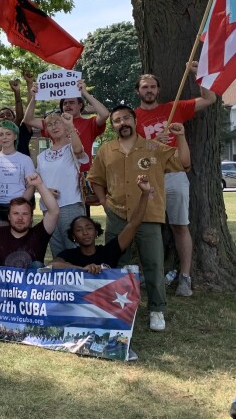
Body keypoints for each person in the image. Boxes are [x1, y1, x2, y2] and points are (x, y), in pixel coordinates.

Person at [88, 105, 190, 332]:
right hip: (117, 215)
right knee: (116, 263)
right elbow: (95, 178)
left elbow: (183, 164)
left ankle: (156, 310)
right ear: (112, 125)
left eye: (126, 118)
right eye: (117, 120)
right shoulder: (106, 150)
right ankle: (118, 307)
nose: (122, 123)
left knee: (153, 262)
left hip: (149, 213)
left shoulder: (153, 147)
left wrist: (180, 137)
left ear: (135, 121)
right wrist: (105, 203)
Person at [134, 65, 216, 297]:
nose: (149, 90)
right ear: (138, 91)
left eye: (152, 87)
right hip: (149, 178)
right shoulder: (133, 117)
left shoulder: (174, 108)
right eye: (144, 87)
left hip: (175, 175)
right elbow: (130, 151)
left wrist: (197, 74)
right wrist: (152, 142)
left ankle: (185, 277)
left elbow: (209, 99)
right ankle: (151, 273)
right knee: (149, 229)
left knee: (180, 226)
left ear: (158, 90)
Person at [52, 175, 153, 272]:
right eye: (79, 230)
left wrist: (145, 194)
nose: (85, 232)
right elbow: (52, 265)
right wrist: (82, 269)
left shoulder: (108, 251)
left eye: (89, 228)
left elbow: (133, 225)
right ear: (73, 236)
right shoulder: (69, 255)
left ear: (96, 232)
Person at [35, 110, 89, 258]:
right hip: (48, 208)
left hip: (70, 205)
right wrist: (45, 191)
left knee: (75, 247)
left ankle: (79, 279)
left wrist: (71, 126)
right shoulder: (41, 156)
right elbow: (38, 181)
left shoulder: (71, 149)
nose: (54, 126)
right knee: (57, 250)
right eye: (50, 124)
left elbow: (79, 150)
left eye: (57, 122)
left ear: (65, 125)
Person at [23, 78, 109, 171]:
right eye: (65, 103)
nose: (67, 105)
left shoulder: (89, 123)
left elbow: (104, 114)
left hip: (83, 175)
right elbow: (28, 120)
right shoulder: (55, 124)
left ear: (80, 105)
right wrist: (34, 98)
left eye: (71, 102)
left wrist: (84, 93)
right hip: (60, 174)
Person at [0, 120, 35, 226]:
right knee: (0, 240)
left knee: (19, 240)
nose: (4, 137)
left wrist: (20, 204)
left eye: (8, 134)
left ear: (15, 136)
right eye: (1, 134)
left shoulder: (25, 159)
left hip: (18, 206)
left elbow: (31, 186)